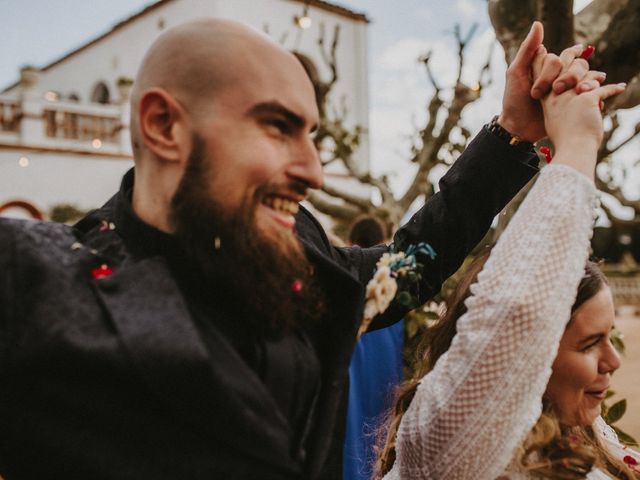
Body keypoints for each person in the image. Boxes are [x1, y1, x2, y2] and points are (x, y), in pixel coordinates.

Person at [0, 18, 600, 480]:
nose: (313, 169)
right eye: (278, 127)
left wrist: (512, 134)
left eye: (311, 134)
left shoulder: (301, 259)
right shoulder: (34, 280)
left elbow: (407, 269)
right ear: (164, 126)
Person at [375, 55, 631, 478]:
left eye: (606, 338)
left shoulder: (582, 434)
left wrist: (513, 131)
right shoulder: (451, 452)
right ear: (527, 355)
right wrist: (579, 142)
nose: (613, 361)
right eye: (588, 344)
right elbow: (517, 310)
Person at [343, 215, 405, 480]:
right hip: (384, 390)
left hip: (350, 389)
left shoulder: (344, 283)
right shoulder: (395, 294)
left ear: (351, 243)